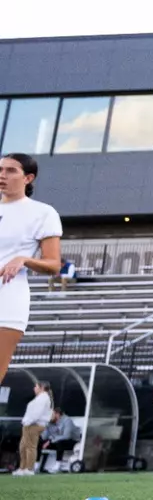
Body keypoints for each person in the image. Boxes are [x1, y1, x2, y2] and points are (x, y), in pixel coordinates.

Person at [0, 153, 64, 384]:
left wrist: (23, 259)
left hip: (7, 301)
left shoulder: (43, 213)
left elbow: (53, 264)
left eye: (10, 171)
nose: (2, 175)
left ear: (28, 178)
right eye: (0, 170)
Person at [13, 381, 52, 475]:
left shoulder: (43, 398)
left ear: (41, 388)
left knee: (30, 446)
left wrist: (28, 421)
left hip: (34, 424)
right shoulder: (39, 398)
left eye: (36, 386)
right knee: (23, 446)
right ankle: (22, 467)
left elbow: (37, 413)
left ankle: (29, 469)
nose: (34, 388)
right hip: (29, 424)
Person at [40, 406, 80, 472]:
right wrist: (45, 426)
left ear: (57, 414)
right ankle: (36, 465)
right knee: (39, 442)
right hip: (56, 441)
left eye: (51, 414)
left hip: (73, 441)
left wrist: (50, 440)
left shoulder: (67, 420)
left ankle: (57, 465)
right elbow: (45, 437)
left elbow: (67, 436)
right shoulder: (51, 423)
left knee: (60, 443)